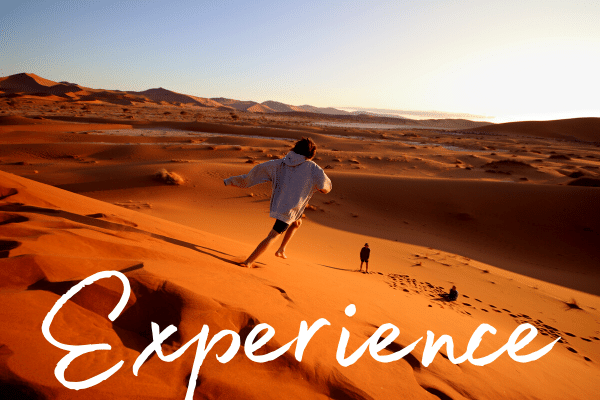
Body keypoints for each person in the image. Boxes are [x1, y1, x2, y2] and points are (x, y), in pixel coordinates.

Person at [224, 137, 332, 268]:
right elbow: (325, 186)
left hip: (281, 203)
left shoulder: (280, 163)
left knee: (297, 222)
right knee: (273, 235)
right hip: (290, 208)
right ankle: (249, 262)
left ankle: (281, 249)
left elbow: (257, 171)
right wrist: (322, 189)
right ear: (311, 154)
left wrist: (233, 180)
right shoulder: (312, 167)